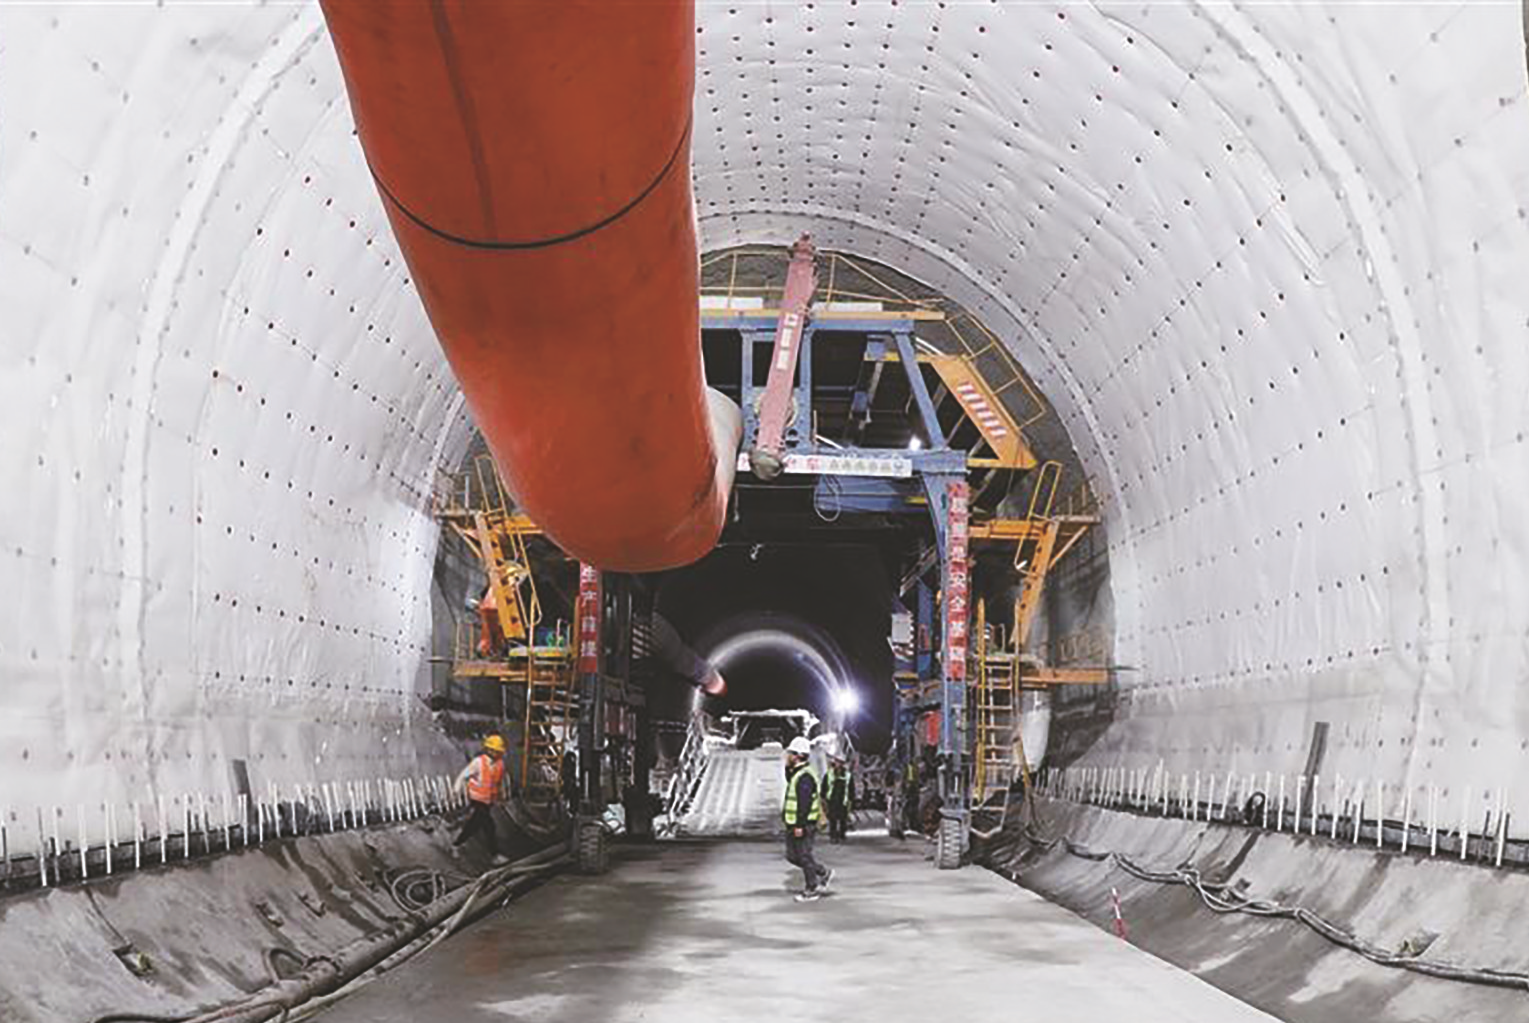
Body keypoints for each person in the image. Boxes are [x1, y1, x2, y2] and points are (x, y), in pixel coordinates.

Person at [782, 736, 833, 901]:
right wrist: (787, 767)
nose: (787, 756)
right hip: (793, 824)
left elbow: (804, 804)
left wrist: (800, 825)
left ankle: (812, 889)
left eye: (790, 753)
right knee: (792, 856)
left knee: (804, 856)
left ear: (797, 756)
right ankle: (822, 872)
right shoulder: (798, 773)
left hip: (803, 824)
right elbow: (789, 778)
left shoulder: (805, 777)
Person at [453, 735, 508, 862]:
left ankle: (456, 844)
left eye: (498, 751)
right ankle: (494, 855)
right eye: (494, 750)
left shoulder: (500, 764)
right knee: (489, 826)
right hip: (477, 799)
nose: (497, 753)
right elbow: (463, 776)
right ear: (488, 749)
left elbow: (498, 783)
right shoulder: (478, 762)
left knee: (474, 824)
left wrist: (501, 796)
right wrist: (456, 790)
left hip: (488, 800)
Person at [823, 755, 853, 844]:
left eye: (839, 762)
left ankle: (842, 834)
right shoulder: (829, 774)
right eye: (836, 762)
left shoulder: (847, 775)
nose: (837, 764)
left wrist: (851, 799)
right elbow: (824, 786)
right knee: (832, 819)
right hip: (832, 799)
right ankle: (833, 835)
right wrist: (823, 797)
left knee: (843, 818)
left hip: (843, 800)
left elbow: (851, 788)